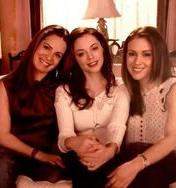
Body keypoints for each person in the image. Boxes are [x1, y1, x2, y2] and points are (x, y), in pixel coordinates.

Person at [106, 26, 176, 188]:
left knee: (136, 154)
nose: (137, 61)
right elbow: (115, 128)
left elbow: (171, 139)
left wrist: (135, 165)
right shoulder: (124, 90)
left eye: (146, 54)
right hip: (143, 159)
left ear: (158, 57)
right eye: (132, 54)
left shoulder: (175, 88)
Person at [0, 25, 70, 188]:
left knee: (56, 174)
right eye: (46, 47)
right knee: (0, 164)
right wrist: (38, 155)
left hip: (44, 155)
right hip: (5, 151)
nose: (49, 57)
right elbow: (2, 136)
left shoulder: (60, 89)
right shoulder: (7, 85)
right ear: (35, 45)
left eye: (57, 55)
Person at [54, 27, 130, 187]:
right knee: (86, 165)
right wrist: (75, 142)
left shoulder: (121, 88)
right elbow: (64, 136)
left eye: (94, 48)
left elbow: (117, 126)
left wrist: (109, 151)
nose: (90, 57)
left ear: (103, 48)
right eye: (81, 53)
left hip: (111, 152)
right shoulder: (63, 91)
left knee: (105, 168)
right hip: (77, 156)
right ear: (74, 58)